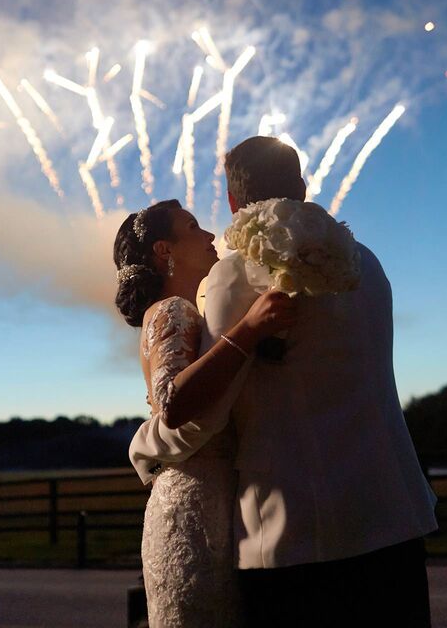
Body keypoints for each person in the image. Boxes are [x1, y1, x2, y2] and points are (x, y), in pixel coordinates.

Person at [129, 138, 438, 628]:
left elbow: (199, 416)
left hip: (294, 535)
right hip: (393, 517)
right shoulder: (368, 265)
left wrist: (143, 448)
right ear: (302, 186)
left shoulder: (233, 276)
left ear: (233, 202)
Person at [114, 198, 296, 628]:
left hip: (208, 499)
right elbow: (172, 405)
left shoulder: (185, 312)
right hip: (193, 510)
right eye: (193, 227)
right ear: (165, 251)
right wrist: (249, 329)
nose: (210, 235)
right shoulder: (172, 310)